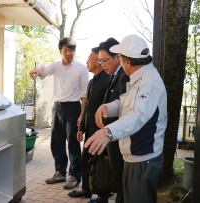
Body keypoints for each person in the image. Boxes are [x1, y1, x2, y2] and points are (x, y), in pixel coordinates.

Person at [85, 34, 167, 203]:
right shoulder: (139, 78)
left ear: (127, 62)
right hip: (135, 158)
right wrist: (108, 107)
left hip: (143, 159)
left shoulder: (149, 83)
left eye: (120, 59)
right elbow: (126, 101)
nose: (120, 63)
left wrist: (107, 132)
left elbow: (137, 116)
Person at [29, 38, 89, 189]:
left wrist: (82, 113)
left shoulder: (81, 68)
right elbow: (45, 71)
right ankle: (60, 173)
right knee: (56, 142)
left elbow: (85, 94)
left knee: (73, 144)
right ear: (60, 51)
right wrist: (38, 71)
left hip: (73, 108)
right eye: (66, 50)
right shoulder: (56, 66)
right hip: (57, 108)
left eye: (72, 50)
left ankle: (74, 176)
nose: (69, 53)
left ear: (75, 51)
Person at [67, 47, 111, 203]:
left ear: (98, 62)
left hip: (101, 133)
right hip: (89, 131)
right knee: (85, 159)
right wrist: (81, 128)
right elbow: (87, 107)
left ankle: (102, 196)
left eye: (89, 59)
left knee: (100, 164)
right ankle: (86, 189)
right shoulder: (92, 82)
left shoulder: (108, 81)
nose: (86, 62)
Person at [97, 37, 130, 203]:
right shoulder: (115, 75)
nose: (102, 64)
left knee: (120, 176)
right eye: (99, 60)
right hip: (112, 134)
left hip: (118, 135)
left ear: (118, 56)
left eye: (104, 60)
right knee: (117, 175)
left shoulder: (124, 76)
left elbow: (125, 109)